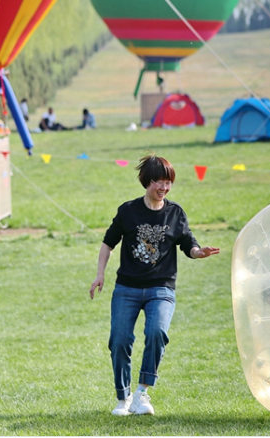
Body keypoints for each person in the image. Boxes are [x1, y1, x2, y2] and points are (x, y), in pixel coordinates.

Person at [89, 154, 220, 416]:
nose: (164, 188)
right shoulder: (128, 211)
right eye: (159, 182)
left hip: (162, 287)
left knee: (157, 332)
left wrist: (198, 252)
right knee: (120, 340)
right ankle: (122, 398)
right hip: (127, 287)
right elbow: (108, 242)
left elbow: (187, 244)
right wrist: (100, 274)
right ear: (146, 182)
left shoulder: (175, 213)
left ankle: (142, 393)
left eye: (168, 182)